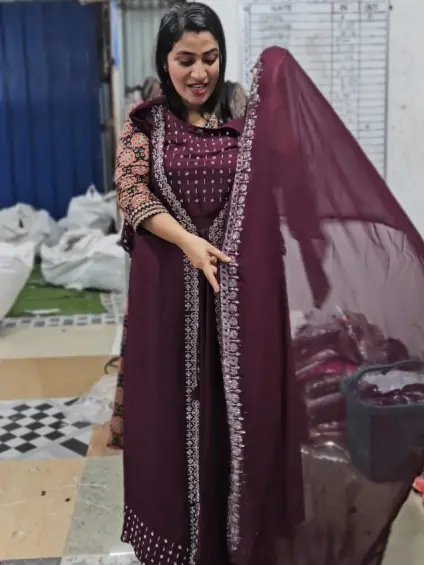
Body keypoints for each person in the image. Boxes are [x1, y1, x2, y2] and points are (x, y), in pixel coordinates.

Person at [114, 4, 424, 565]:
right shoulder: (145, 125)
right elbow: (132, 193)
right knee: (172, 421)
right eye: (185, 60)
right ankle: (183, 543)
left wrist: (313, 247)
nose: (200, 72)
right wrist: (188, 242)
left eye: (210, 57)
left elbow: (286, 175)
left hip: (240, 297)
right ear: (164, 62)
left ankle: (242, 536)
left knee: (243, 413)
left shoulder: (244, 115)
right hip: (170, 299)